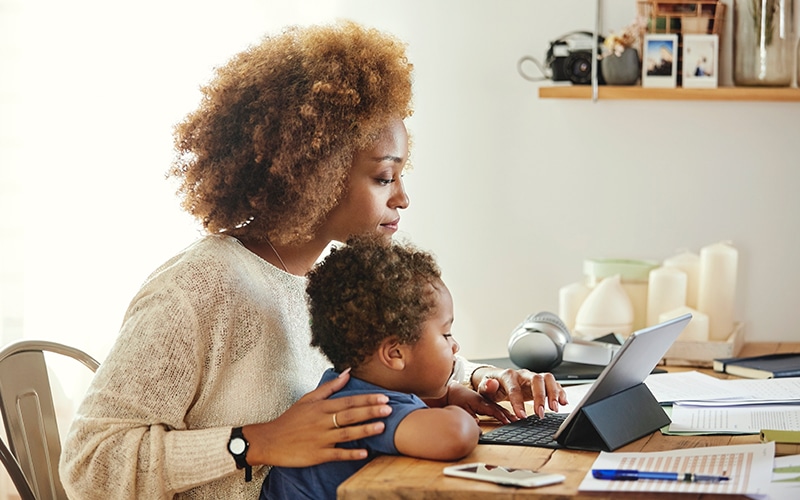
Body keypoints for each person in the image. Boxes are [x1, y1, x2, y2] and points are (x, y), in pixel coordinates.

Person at [59, 20, 566, 499]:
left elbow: (384, 369)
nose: (403, 199)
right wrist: (252, 443)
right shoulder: (198, 288)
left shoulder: (329, 281)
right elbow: (88, 463)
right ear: (313, 172)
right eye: (384, 177)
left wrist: (475, 381)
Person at [262, 234, 482, 499]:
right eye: (446, 334)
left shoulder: (342, 385)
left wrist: (449, 395)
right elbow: (453, 435)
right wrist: (459, 415)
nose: (455, 346)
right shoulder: (363, 408)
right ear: (395, 353)